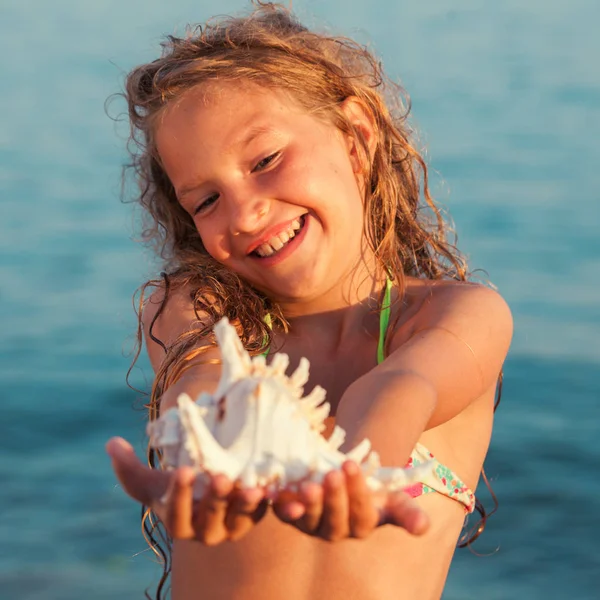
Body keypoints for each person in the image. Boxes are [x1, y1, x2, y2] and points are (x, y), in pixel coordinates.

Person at [106, 3, 513, 599]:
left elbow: (399, 388)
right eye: (207, 200)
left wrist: (354, 473)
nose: (245, 214)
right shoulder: (197, 309)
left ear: (357, 137)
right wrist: (209, 460)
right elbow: (202, 389)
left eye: (266, 161)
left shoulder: (455, 317)